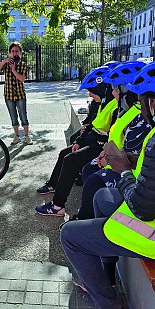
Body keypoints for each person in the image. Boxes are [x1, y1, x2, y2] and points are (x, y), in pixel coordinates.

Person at [60, 59, 155, 309]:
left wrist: (122, 171)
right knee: (102, 196)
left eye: (143, 99)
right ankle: (105, 279)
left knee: (70, 235)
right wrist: (131, 160)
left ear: (154, 102)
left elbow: (143, 209)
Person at [72, 61, 151, 221]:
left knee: (94, 180)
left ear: (125, 91)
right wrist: (104, 154)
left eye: (115, 90)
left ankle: (85, 219)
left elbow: (132, 155)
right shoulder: (127, 111)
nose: (113, 94)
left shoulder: (140, 117)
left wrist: (107, 157)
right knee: (89, 170)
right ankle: (88, 215)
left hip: (130, 172)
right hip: (115, 159)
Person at [35, 66, 118, 216]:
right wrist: (79, 141)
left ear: (101, 88)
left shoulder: (115, 106)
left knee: (71, 160)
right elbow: (90, 124)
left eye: (91, 90)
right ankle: (53, 185)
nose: (90, 94)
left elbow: (109, 135)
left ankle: (57, 206)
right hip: (94, 142)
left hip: (102, 147)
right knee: (64, 154)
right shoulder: (101, 103)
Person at [0, 41, 33, 145]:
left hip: (20, 95)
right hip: (9, 95)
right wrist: (4, 61)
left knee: (23, 116)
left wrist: (13, 70)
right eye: (12, 51)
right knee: (13, 117)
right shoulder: (7, 64)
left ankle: (26, 136)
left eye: (17, 51)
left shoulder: (23, 65)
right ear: (10, 52)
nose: (15, 53)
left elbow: (22, 79)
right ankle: (16, 137)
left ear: (20, 52)